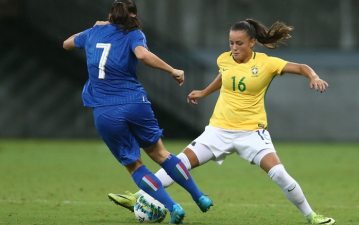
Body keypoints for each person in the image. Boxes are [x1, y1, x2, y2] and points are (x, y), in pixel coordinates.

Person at [108, 18, 336, 225]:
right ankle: (137, 197)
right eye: (231, 43)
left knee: (279, 174)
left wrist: (313, 76)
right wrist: (204, 92)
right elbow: (225, 77)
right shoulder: (224, 59)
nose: (234, 48)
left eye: (239, 43)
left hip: (251, 133)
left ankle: (311, 216)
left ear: (252, 43)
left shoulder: (267, 63)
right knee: (179, 164)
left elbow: (301, 67)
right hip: (217, 131)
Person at [62, 0, 213, 224]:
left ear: (110, 15)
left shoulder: (94, 32)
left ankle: (174, 207)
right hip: (135, 103)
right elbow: (142, 55)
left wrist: (93, 28)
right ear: (133, 15)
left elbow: (66, 44)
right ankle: (199, 196)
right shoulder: (134, 34)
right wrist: (172, 70)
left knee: (135, 166)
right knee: (162, 154)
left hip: (105, 110)